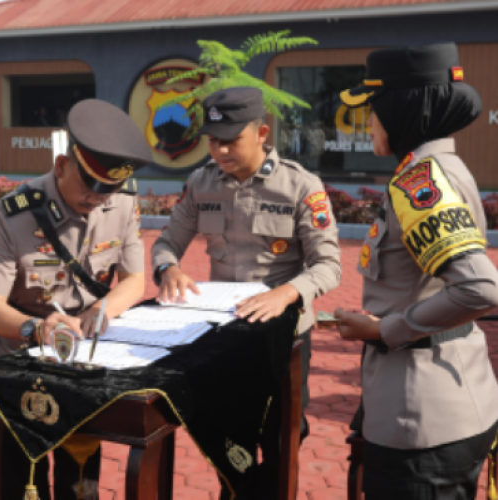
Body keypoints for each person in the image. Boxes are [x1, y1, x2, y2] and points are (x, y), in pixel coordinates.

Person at [151, 87, 341, 499]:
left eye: (230, 140)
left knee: (279, 442)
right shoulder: (201, 184)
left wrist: (287, 293)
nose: (219, 151)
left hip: (283, 341)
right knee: (226, 438)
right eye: (213, 141)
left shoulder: (300, 186)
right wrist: (168, 269)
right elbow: (167, 242)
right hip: (225, 338)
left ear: (261, 133)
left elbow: (328, 266)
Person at [334, 42, 498, 500]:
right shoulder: (444, 167)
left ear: (400, 107)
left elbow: (482, 289)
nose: (368, 124)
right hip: (449, 398)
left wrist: (385, 328)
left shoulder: (420, 181)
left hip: (422, 421)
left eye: (372, 110)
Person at [0, 98, 151, 500]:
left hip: (81, 364)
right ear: (61, 166)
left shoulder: (121, 203)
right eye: (89, 186)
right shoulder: (15, 213)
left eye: (109, 190)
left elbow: (134, 280)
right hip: (19, 361)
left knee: (80, 484)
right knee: (20, 484)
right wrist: (38, 329)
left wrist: (99, 309)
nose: (98, 199)